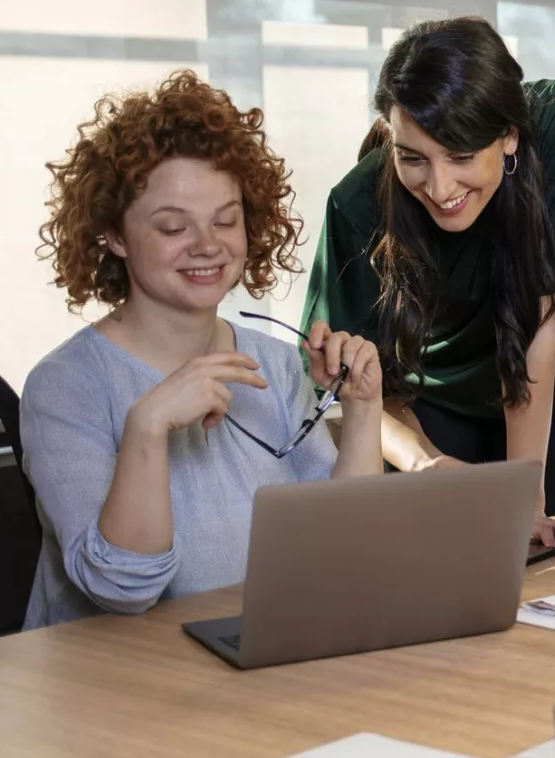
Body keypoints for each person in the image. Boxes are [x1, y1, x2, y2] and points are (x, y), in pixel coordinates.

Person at [22, 71, 384, 628]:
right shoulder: (65, 385)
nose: (208, 245)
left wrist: (362, 412)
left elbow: (347, 551)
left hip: (250, 654)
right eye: (173, 227)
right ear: (114, 235)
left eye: (225, 220)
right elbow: (121, 588)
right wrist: (148, 426)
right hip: (116, 687)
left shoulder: (274, 363)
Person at [302, 17, 555, 552]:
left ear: (509, 135)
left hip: (543, 397)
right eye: (412, 157)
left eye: (463, 156)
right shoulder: (355, 205)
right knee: (429, 566)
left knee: (554, 559)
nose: (440, 187)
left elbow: (538, 320)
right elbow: (361, 390)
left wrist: (527, 499)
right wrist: (424, 462)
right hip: (428, 410)